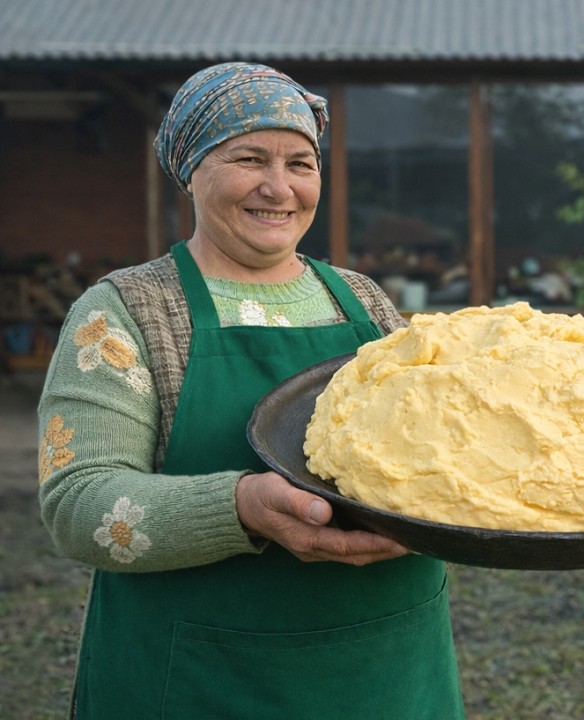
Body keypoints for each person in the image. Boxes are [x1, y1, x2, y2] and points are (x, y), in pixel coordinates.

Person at [36, 62, 464, 717]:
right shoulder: (127, 312)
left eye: (301, 162)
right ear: (191, 170)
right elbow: (77, 506)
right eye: (249, 157)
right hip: (198, 678)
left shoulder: (367, 302)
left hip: (386, 669)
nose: (279, 187)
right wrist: (240, 507)